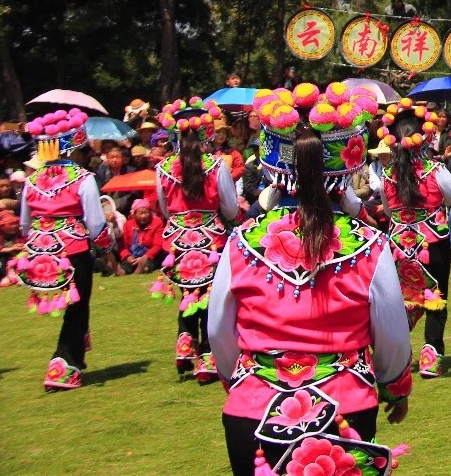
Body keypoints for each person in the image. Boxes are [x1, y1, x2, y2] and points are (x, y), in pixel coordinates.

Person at [208, 82, 411, 475]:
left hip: (253, 408)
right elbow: (393, 334)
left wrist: (241, 377)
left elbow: (218, 330)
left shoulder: (240, 241)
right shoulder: (368, 244)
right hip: (345, 409)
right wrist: (393, 386)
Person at [370, 99, 451, 379]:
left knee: (405, 299)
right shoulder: (435, 171)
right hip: (432, 244)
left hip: (397, 246)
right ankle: (431, 356)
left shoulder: (388, 174)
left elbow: (389, 209)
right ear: (425, 135)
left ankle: (388, 353)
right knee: (434, 298)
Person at [15, 108, 108, 390]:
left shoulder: (32, 181)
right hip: (74, 248)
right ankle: (62, 363)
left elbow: (24, 224)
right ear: (74, 146)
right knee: (77, 308)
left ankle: (75, 358)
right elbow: (94, 221)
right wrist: (105, 246)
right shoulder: (82, 178)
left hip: (41, 252)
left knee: (75, 309)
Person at [150, 97, 239, 380]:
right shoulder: (215, 165)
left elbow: (164, 208)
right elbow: (230, 207)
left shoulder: (163, 168)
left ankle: (185, 344)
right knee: (210, 297)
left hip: (177, 240)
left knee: (188, 293)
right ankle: (207, 359)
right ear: (207, 132)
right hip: (210, 238)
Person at [118, 198, 164, 275]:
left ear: (150, 213)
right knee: (124, 269)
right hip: (133, 256)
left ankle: (143, 268)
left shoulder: (157, 223)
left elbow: (158, 245)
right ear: (134, 214)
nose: (143, 216)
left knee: (156, 259)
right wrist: (128, 257)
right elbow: (122, 246)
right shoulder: (128, 225)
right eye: (140, 213)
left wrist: (145, 257)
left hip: (150, 255)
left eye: (146, 213)